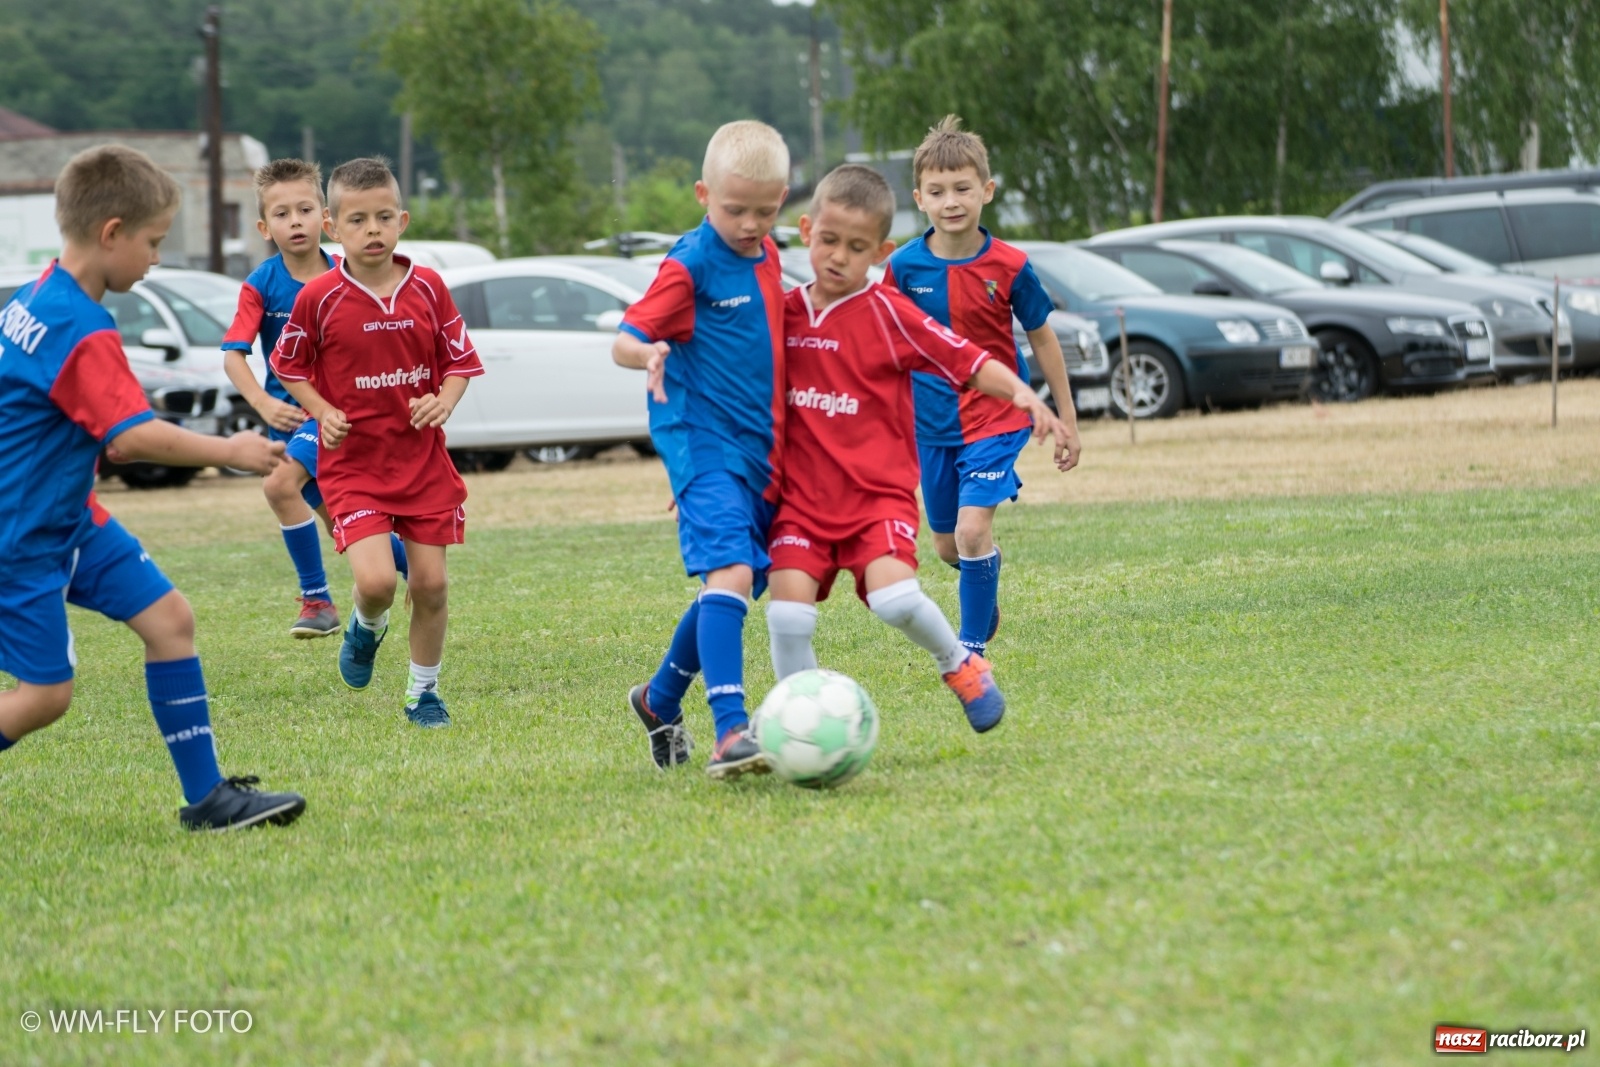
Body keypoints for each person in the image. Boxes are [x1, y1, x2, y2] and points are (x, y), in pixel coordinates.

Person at [0, 144, 305, 830]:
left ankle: (208, 800)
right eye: (153, 242)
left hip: (68, 520)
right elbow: (130, 438)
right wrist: (232, 448)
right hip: (19, 535)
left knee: (170, 620)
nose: (156, 259)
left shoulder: (41, 292)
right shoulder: (82, 327)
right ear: (112, 232)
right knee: (45, 696)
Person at [767, 164, 1073, 732]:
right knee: (786, 613)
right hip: (803, 498)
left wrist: (1026, 396)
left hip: (875, 491)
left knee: (898, 600)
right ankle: (796, 728)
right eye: (829, 241)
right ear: (806, 232)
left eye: (856, 247)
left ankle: (963, 662)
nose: (838, 256)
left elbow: (969, 359)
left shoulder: (889, 313)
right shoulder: (781, 314)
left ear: (878, 252)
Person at [271, 157, 482, 727]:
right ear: (333, 228)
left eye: (384, 218)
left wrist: (444, 400)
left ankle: (423, 694)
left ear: (403, 220)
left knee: (432, 585)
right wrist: (321, 411)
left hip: (421, 462)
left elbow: (460, 363)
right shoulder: (319, 297)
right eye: (358, 220)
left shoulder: (429, 288)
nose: (373, 230)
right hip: (355, 466)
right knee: (377, 582)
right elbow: (288, 365)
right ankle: (366, 628)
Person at [612, 120, 790, 778]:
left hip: (759, 454)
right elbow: (625, 338)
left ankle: (658, 699)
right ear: (702, 193)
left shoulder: (768, 255)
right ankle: (731, 733)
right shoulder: (688, 263)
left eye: (765, 211)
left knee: (738, 580)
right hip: (703, 445)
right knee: (734, 576)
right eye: (734, 209)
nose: (749, 223)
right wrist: (649, 352)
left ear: (784, 198)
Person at [885, 115, 1082, 659]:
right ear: (919, 199)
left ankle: (971, 650)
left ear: (987, 191)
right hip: (930, 423)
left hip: (996, 418)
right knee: (949, 544)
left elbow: (1043, 340)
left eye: (963, 188)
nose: (952, 201)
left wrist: (1065, 418)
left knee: (972, 531)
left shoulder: (1011, 265)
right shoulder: (902, 268)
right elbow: (883, 342)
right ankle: (982, 575)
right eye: (938, 191)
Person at [223, 159, 409, 641]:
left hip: (335, 417)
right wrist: (264, 406)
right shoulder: (261, 285)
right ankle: (417, 565)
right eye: (281, 214)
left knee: (279, 486)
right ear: (265, 228)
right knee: (343, 524)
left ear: (324, 216)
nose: (295, 221)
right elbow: (234, 358)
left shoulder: (349, 272)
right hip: (284, 420)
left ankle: (316, 600)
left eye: (305, 209)